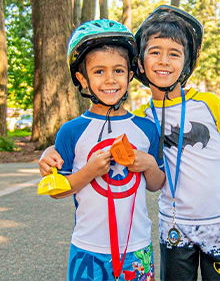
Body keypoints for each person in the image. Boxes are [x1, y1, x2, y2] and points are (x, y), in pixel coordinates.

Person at [40, 5, 220, 281]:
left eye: (174, 54)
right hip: (158, 229)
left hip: (208, 225)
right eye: (155, 53)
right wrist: (51, 151)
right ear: (139, 65)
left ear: (129, 73)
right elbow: (67, 171)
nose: (164, 61)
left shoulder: (192, 109)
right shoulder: (141, 119)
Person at [47, 19, 165, 281]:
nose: (110, 79)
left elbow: (156, 184)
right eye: (99, 71)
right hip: (88, 248)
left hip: (137, 248)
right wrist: (88, 172)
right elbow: (55, 190)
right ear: (82, 79)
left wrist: (149, 165)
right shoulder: (71, 131)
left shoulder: (146, 129)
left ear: (130, 74)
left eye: (118, 71)